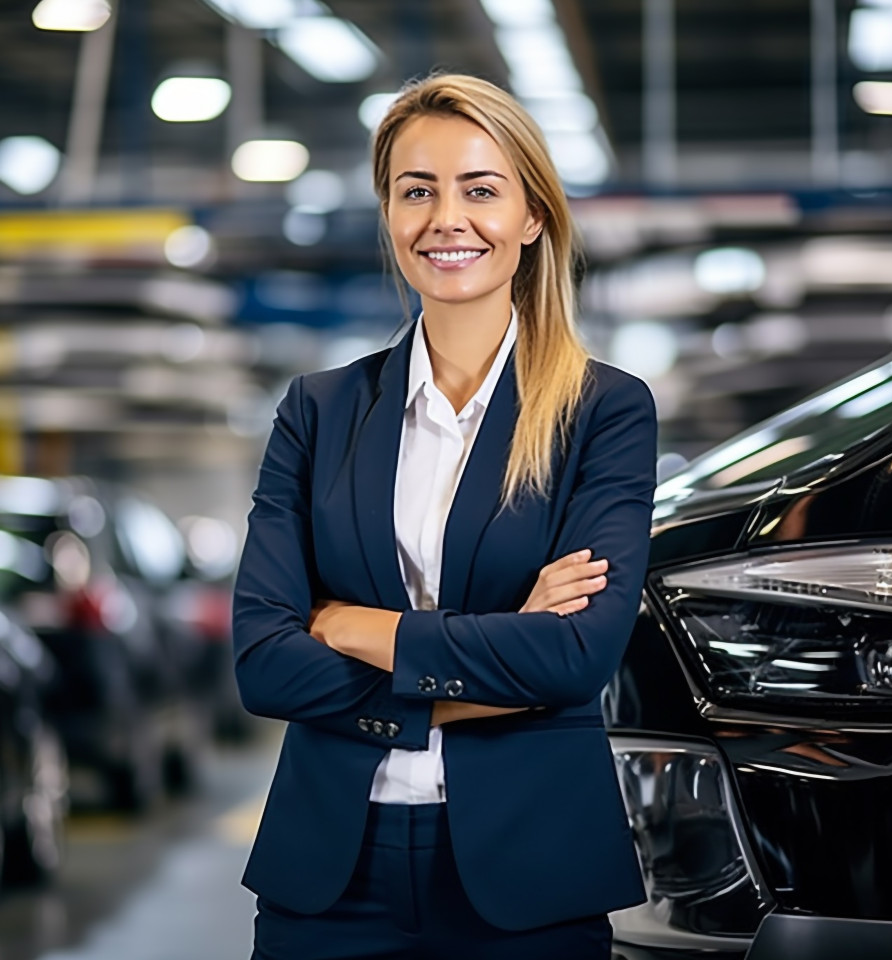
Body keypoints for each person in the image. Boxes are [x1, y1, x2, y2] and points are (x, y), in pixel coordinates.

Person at [233, 72, 657, 960]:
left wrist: (349, 625)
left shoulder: (603, 412)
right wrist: (494, 662)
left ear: (533, 216)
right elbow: (265, 665)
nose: (446, 219)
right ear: (390, 213)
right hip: (329, 879)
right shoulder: (318, 410)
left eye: (481, 190)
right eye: (417, 191)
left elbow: (574, 658)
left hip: (529, 871)